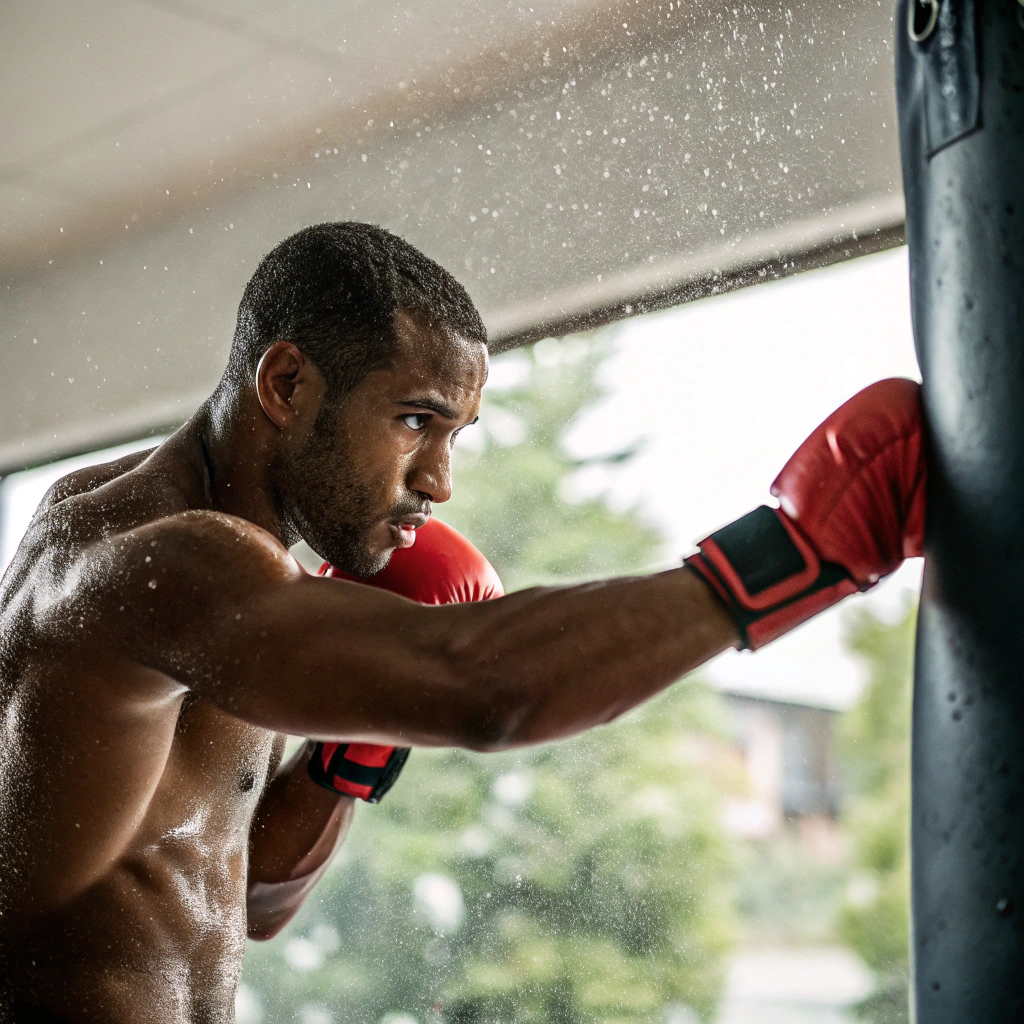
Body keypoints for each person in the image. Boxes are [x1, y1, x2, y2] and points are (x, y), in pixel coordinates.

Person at [0, 222, 925, 1023]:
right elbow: (484, 690)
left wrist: (352, 750)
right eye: (415, 421)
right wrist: (795, 555)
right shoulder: (161, 566)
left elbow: (245, 899)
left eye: (454, 436)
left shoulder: (222, 580)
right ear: (284, 384)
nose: (439, 483)